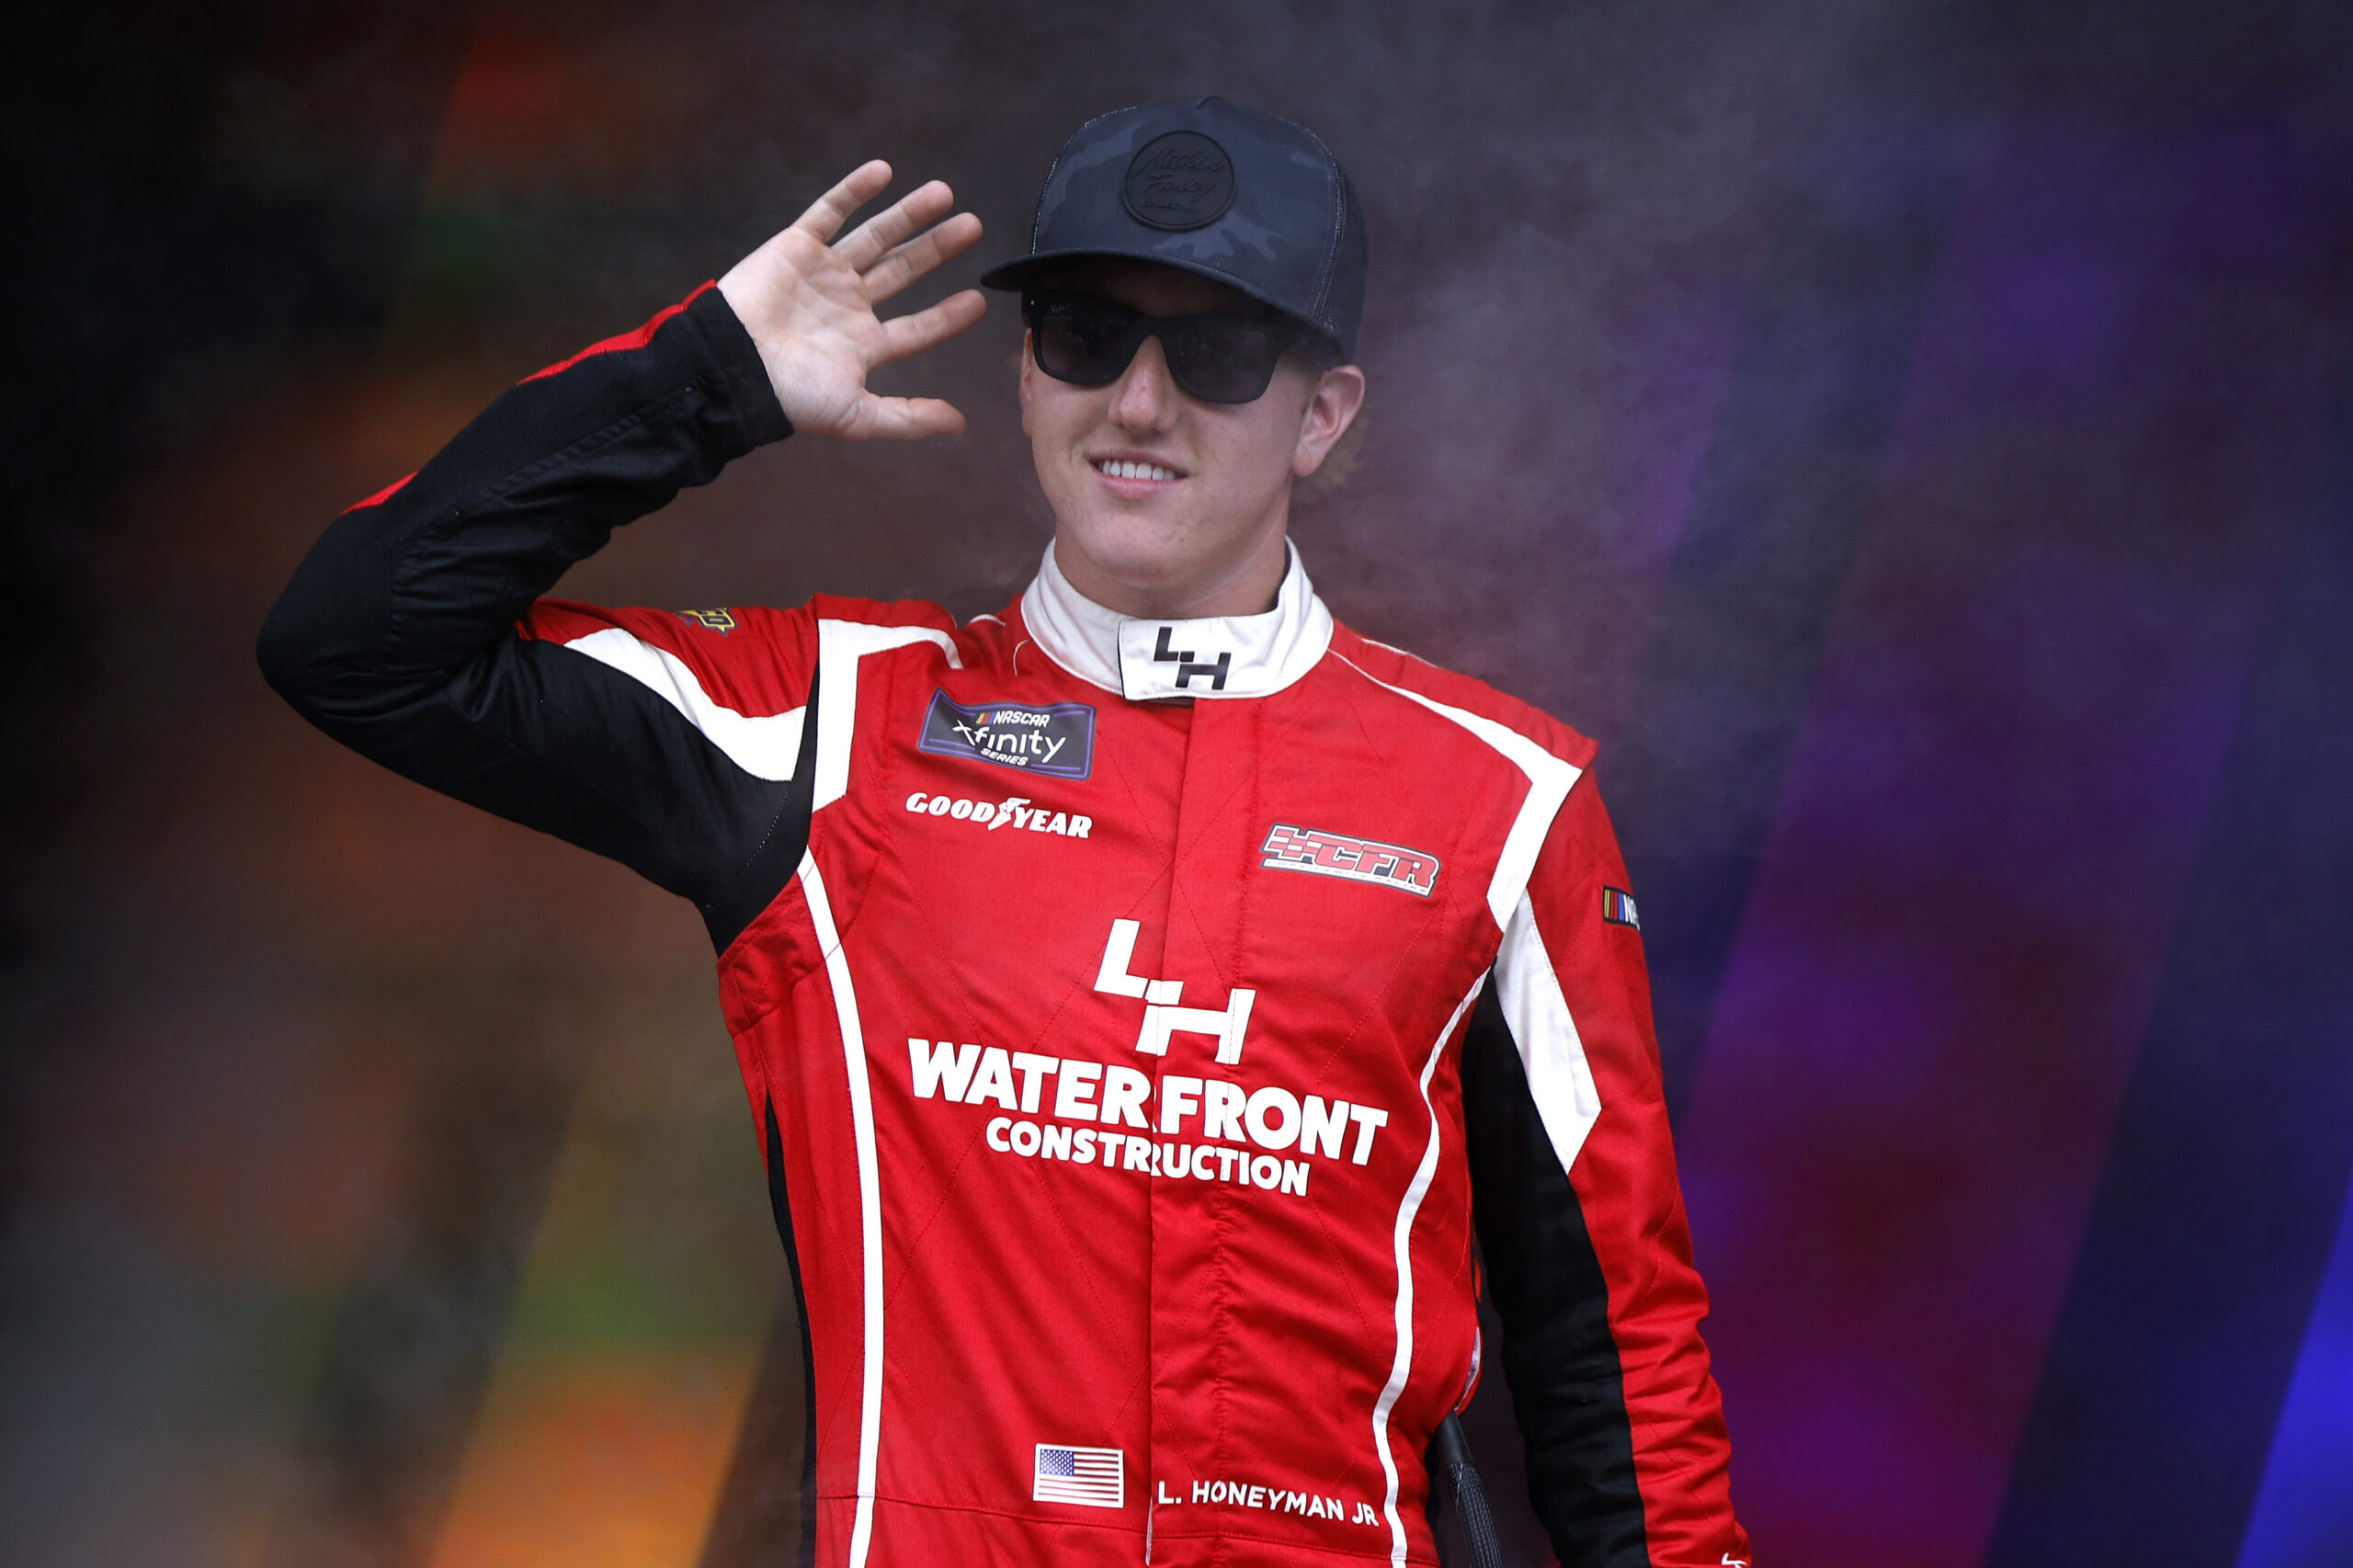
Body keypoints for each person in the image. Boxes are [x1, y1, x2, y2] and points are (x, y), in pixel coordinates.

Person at [259, 97, 1747, 1568]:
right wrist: (711, 378)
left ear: (1325, 413)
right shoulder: (832, 728)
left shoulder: (1506, 804)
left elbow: (1616, 1377)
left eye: (1220, 351)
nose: (1140, 403)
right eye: (1088, 336)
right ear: (1031, 376)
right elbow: (357, 640)